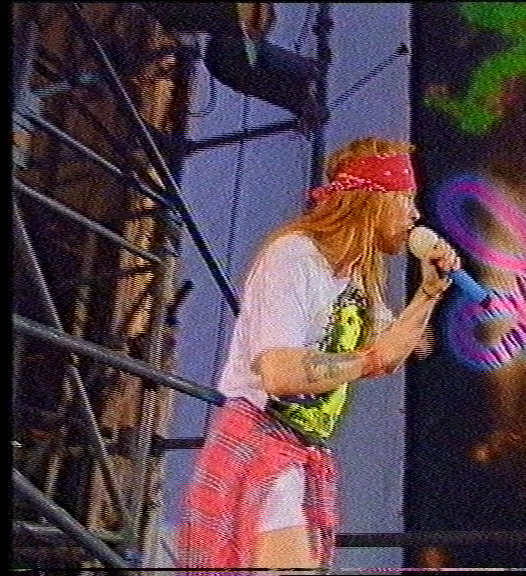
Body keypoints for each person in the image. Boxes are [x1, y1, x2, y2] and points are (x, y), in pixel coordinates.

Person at [175, 137, 460, 573]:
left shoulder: (358, 278)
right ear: (374, 201)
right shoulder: (295, 256)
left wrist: (428, 294)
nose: (415, 215)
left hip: (297, 447)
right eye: (406, 198)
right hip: (261, 439)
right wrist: (367, 359)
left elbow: (392, 354)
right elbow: (280, 373)